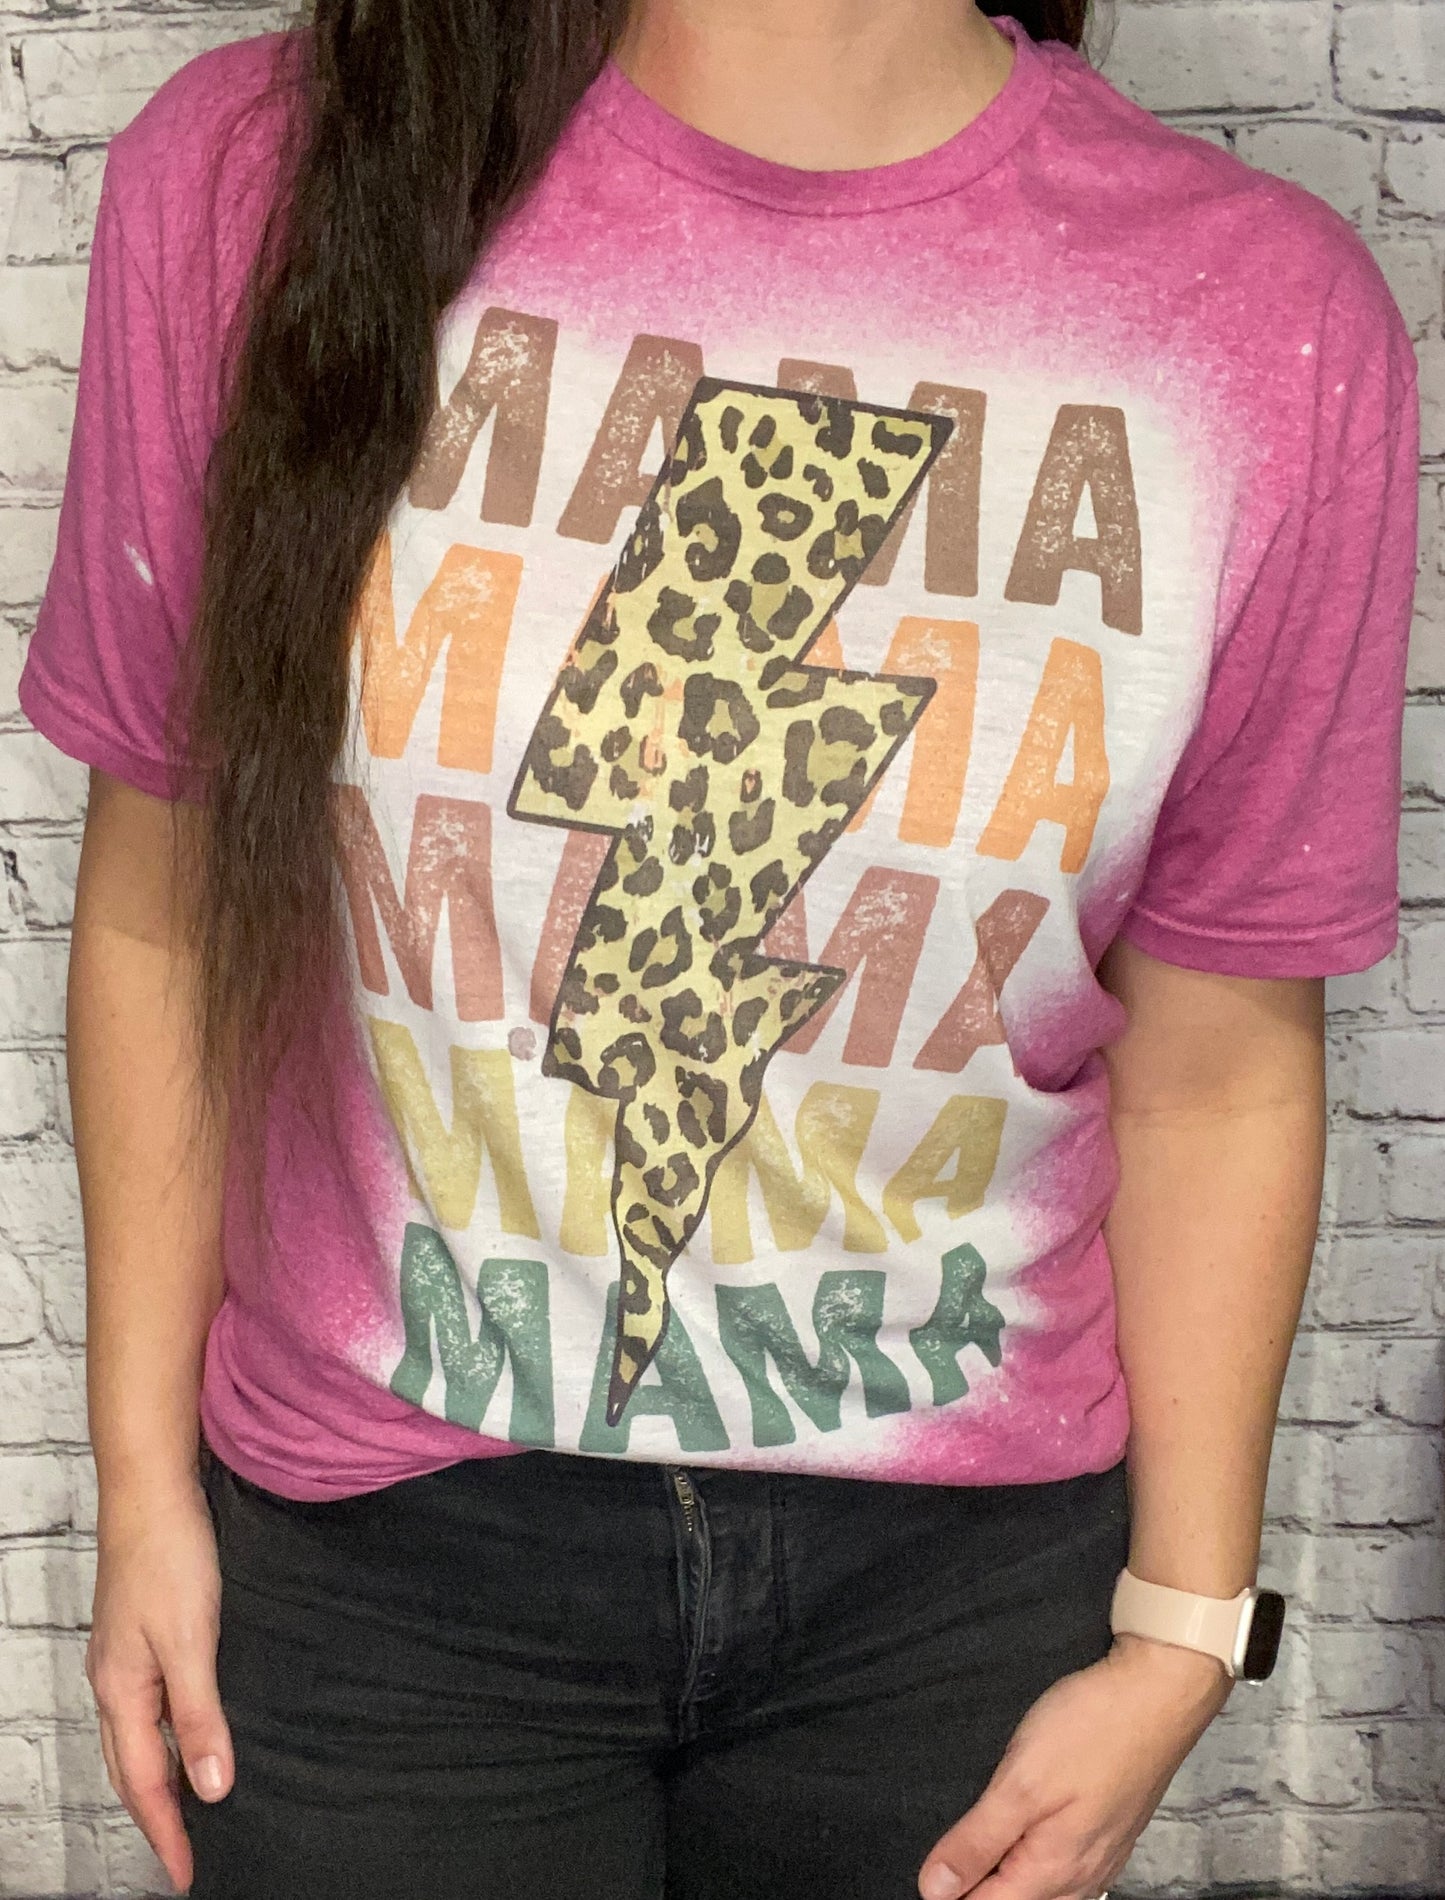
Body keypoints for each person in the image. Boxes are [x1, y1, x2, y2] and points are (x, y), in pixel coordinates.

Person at [18, 0, 1418, 1893]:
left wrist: (1185, 1625)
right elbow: (167, 906)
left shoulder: (1258, 318)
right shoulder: (261, 175)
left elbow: (1219, 1057)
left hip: (954, 1600)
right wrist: (137, 1484)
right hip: (380, 1570)